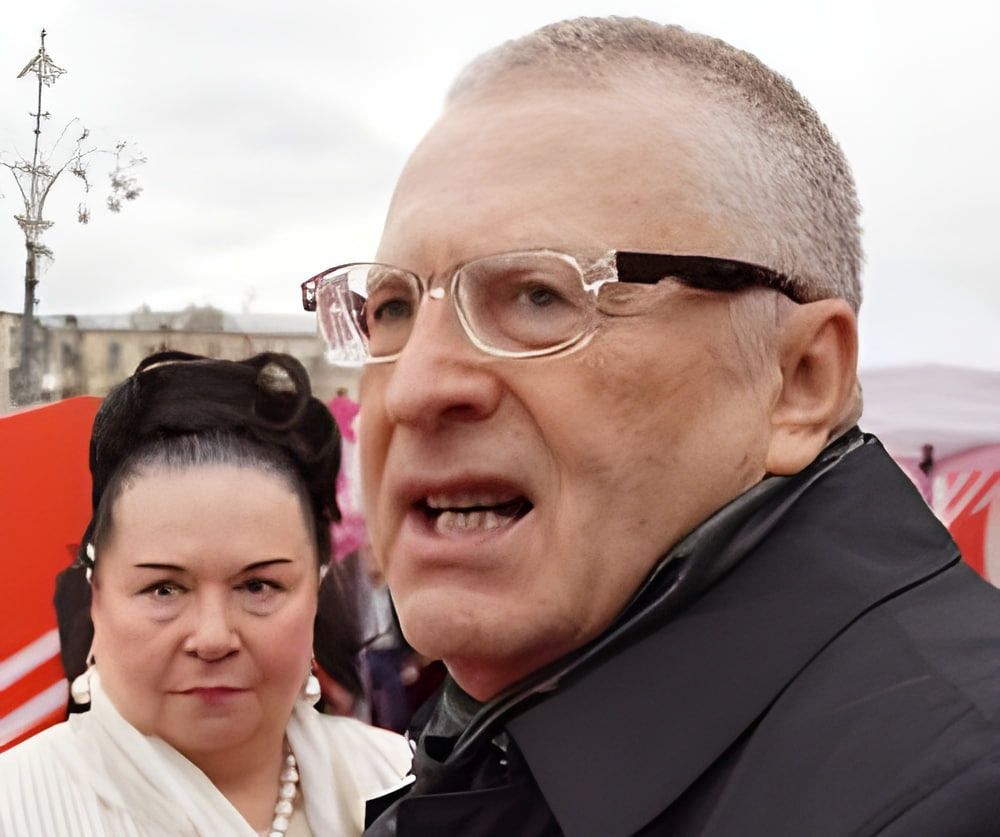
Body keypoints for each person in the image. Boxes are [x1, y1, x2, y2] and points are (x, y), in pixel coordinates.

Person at [302, 17, 1000, 837]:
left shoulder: (954, 795)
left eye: (537, 295)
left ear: (798, 380)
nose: (414, 387)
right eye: (390, 308)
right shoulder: (500, 751)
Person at [0, 351, 411, 836]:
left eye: (259, 585)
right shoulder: (17, 807)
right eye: (163, 589)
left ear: (314, 593)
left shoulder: (406, 779)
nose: (213, 638)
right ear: (96, 595)